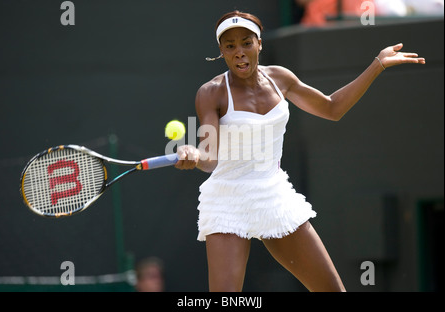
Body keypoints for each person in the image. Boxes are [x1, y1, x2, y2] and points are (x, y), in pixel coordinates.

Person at [175, 11, 425, 292]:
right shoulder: (210, 93)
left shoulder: (281, 78)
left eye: (246, 42)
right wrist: (192, 154)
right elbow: (209, 159)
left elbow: (332, 108)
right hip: (226, 199)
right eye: (230, 46)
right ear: (221, 51)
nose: (240, 53)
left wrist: (377, 65)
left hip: (273, 193)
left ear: (259, 43)